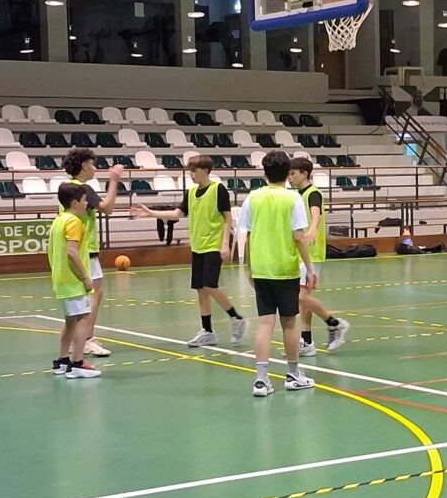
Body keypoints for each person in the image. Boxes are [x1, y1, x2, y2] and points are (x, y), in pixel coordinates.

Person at [131, 156, 247, 347]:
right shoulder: (191, 192)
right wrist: (151, 213)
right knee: (201, 290)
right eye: (190, 171)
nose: (191, 174)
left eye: (194, 170)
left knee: (210, 285)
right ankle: (208, 332)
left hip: (213, 245)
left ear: (206, 170)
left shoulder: (218, 189)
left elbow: (228, 218)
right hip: (198, 246)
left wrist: (225, 244)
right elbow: (177, 214)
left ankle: (236, 318)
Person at [237, 151, 317, 397]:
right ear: (286, 173)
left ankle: (261, 380)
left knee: (265, 324)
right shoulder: (292, 200)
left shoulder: (252, 198)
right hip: (285, 269)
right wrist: (310, 268)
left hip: (261, 268)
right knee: (290, 324)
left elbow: (248, 235)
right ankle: (293, 375)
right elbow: (298, 237)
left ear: (264, 173)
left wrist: (250, 267)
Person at [61, 148, 123, 358]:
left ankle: (78, 341)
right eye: (92, 164)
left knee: (87, 296)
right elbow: (107, 208)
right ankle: (86, 339)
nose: (95, 168)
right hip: (85, 251)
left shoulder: (68, 189)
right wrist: (114, 180)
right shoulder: (83, 188)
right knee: (93, 294)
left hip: (77, 250)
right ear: (85, 165)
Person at [287, 157, 350, 356]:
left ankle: (335, 324)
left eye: (293, 173)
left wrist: (312, 229)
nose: (290, 177)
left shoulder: (313, 193)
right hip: (298, 253)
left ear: (304, 174)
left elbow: (316, 214)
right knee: (303, 300)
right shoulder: (297, 195)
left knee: (300, 297)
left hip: (312, 253)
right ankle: (307, 342)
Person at [48, 183, 101, 379]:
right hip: (73, 280)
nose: (87, 203)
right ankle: (78, 363)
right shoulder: (74, 222)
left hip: (61, 279)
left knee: (70, 321)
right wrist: (86, 277)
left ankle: (62, 361)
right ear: (74, 202)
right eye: (84, 200)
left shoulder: (58, 220)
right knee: (82, 319)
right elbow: (72, 252)